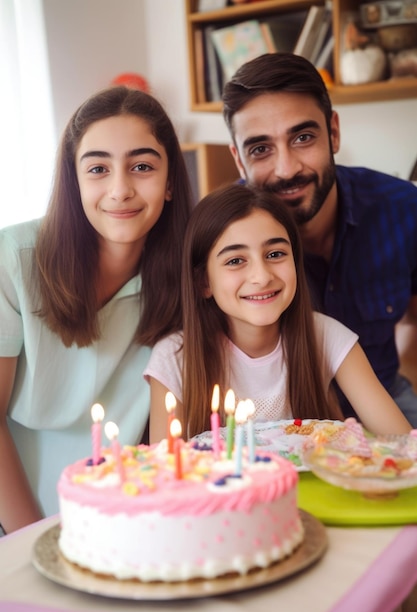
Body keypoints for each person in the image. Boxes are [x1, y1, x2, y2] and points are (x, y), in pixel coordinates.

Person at [0, 85, 192, 534]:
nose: (120, 190)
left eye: (142, 167)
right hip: (15, 517)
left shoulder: (189, 273)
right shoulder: (12, 261)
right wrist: (30, 538)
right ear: (76, 182)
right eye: (98, 169)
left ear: (169, 185)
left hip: (123, 516)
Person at [220, 52, 417, 427]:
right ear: (238, 159)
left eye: (303, 137)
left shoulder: (405, 209)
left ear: (334, 132)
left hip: (386, 395)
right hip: (281, 422)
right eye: (260, 149)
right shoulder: (220, 238)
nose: (286, 168)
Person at [145, 184, 411, 443]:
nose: (261, 276)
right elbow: (165, 477)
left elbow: (406, 447)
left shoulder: (328, 336)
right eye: (235, 261)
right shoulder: (174, 357)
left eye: (275, 254)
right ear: (204, 282)